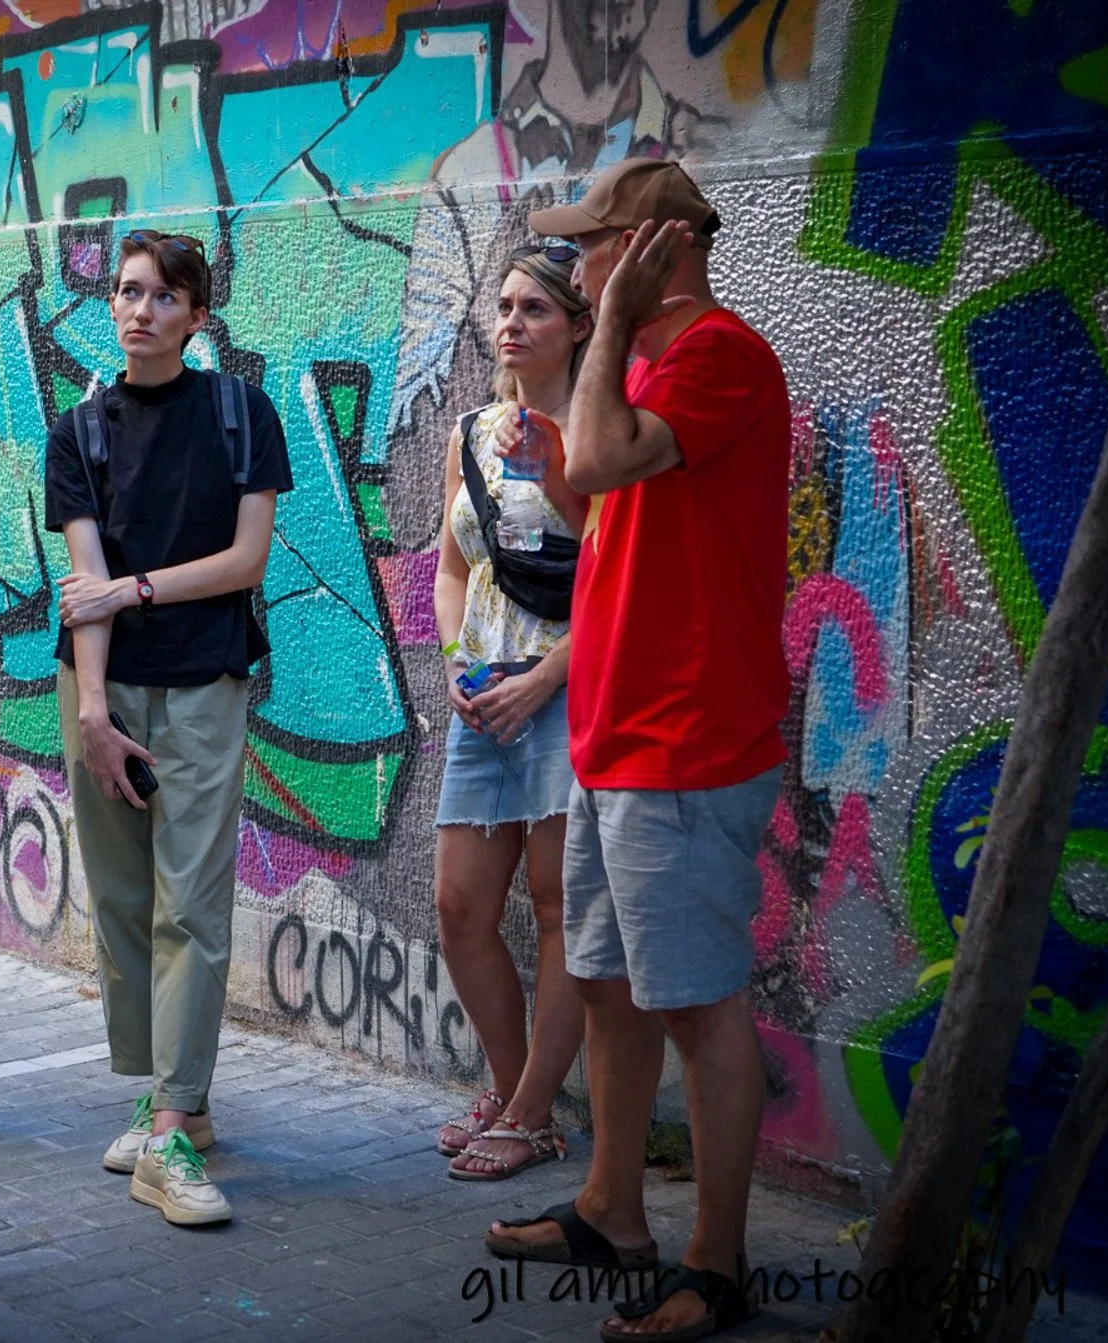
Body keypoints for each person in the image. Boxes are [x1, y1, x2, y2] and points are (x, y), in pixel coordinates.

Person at [482, 159, 790, 1343]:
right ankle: (613, 1208)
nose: (573, 265)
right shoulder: (654, 369)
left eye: (592, 246)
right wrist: (551, 464)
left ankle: (716, 1263)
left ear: (654, 247)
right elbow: (601, 508)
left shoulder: (717, 353)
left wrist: (603, 334)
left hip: (686, 737)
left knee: (697, 1002)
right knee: (607, 985)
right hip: (617, 727)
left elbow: (612, 462)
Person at [44, 229, 291, 1227]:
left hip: (201, 683)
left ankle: (175, 1124)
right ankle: (162, 1093)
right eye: (126, 291)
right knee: (119, 899)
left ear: (197, 314)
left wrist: (133, 590)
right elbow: (80, 585)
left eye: (162, 295)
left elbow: (244, 563)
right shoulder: (78, 430)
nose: (138, 308)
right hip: (99, 686)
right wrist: (94, 711)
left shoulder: (240, 413)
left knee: (188, 899)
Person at [432, 243, 592, 1184]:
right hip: (484, 695)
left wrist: (545, 677)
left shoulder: (605, 434)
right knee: (460, 906)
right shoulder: (475, 431)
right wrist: (457, 662)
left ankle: (532, 1113)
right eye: (504, 305)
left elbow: (621, 582)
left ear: (577, 324)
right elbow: (455, 569)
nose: (511, 322)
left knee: (557, 907)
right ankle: (505, 1083)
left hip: (571, 690)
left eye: (535, 307)